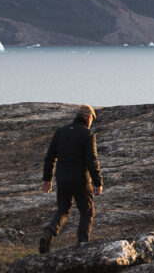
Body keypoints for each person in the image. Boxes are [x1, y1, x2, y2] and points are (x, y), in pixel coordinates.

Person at [38, 104, 103, 253]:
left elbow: (50, 158)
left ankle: (49, 233)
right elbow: (92, 161)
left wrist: (47, 179)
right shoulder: (87, 135)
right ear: (88, 117)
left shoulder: (61, 132)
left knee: (63, 209)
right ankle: (82, 245)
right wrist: (98, 182)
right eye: (92, 118)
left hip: (62, 179)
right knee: (87, 212)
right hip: (81, 180)